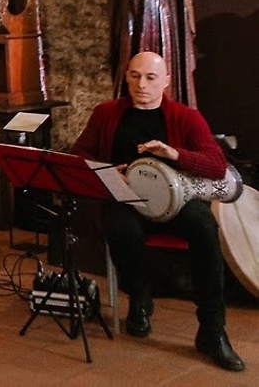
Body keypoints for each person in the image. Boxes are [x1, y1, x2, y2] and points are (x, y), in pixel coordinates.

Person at [71, 50, 244, 371]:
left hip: (177, 203)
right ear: (126, 77)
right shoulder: (106, 113)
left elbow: (217, 165)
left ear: (165, 81)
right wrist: (110, 172)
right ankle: (139, 298)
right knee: (121, 229)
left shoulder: (185, 117)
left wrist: (174, 153)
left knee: (204, 227)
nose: (142, 84)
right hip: (127, 200)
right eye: (135, 75)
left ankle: (212, 329)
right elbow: (79, 155)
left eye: (151, 77)